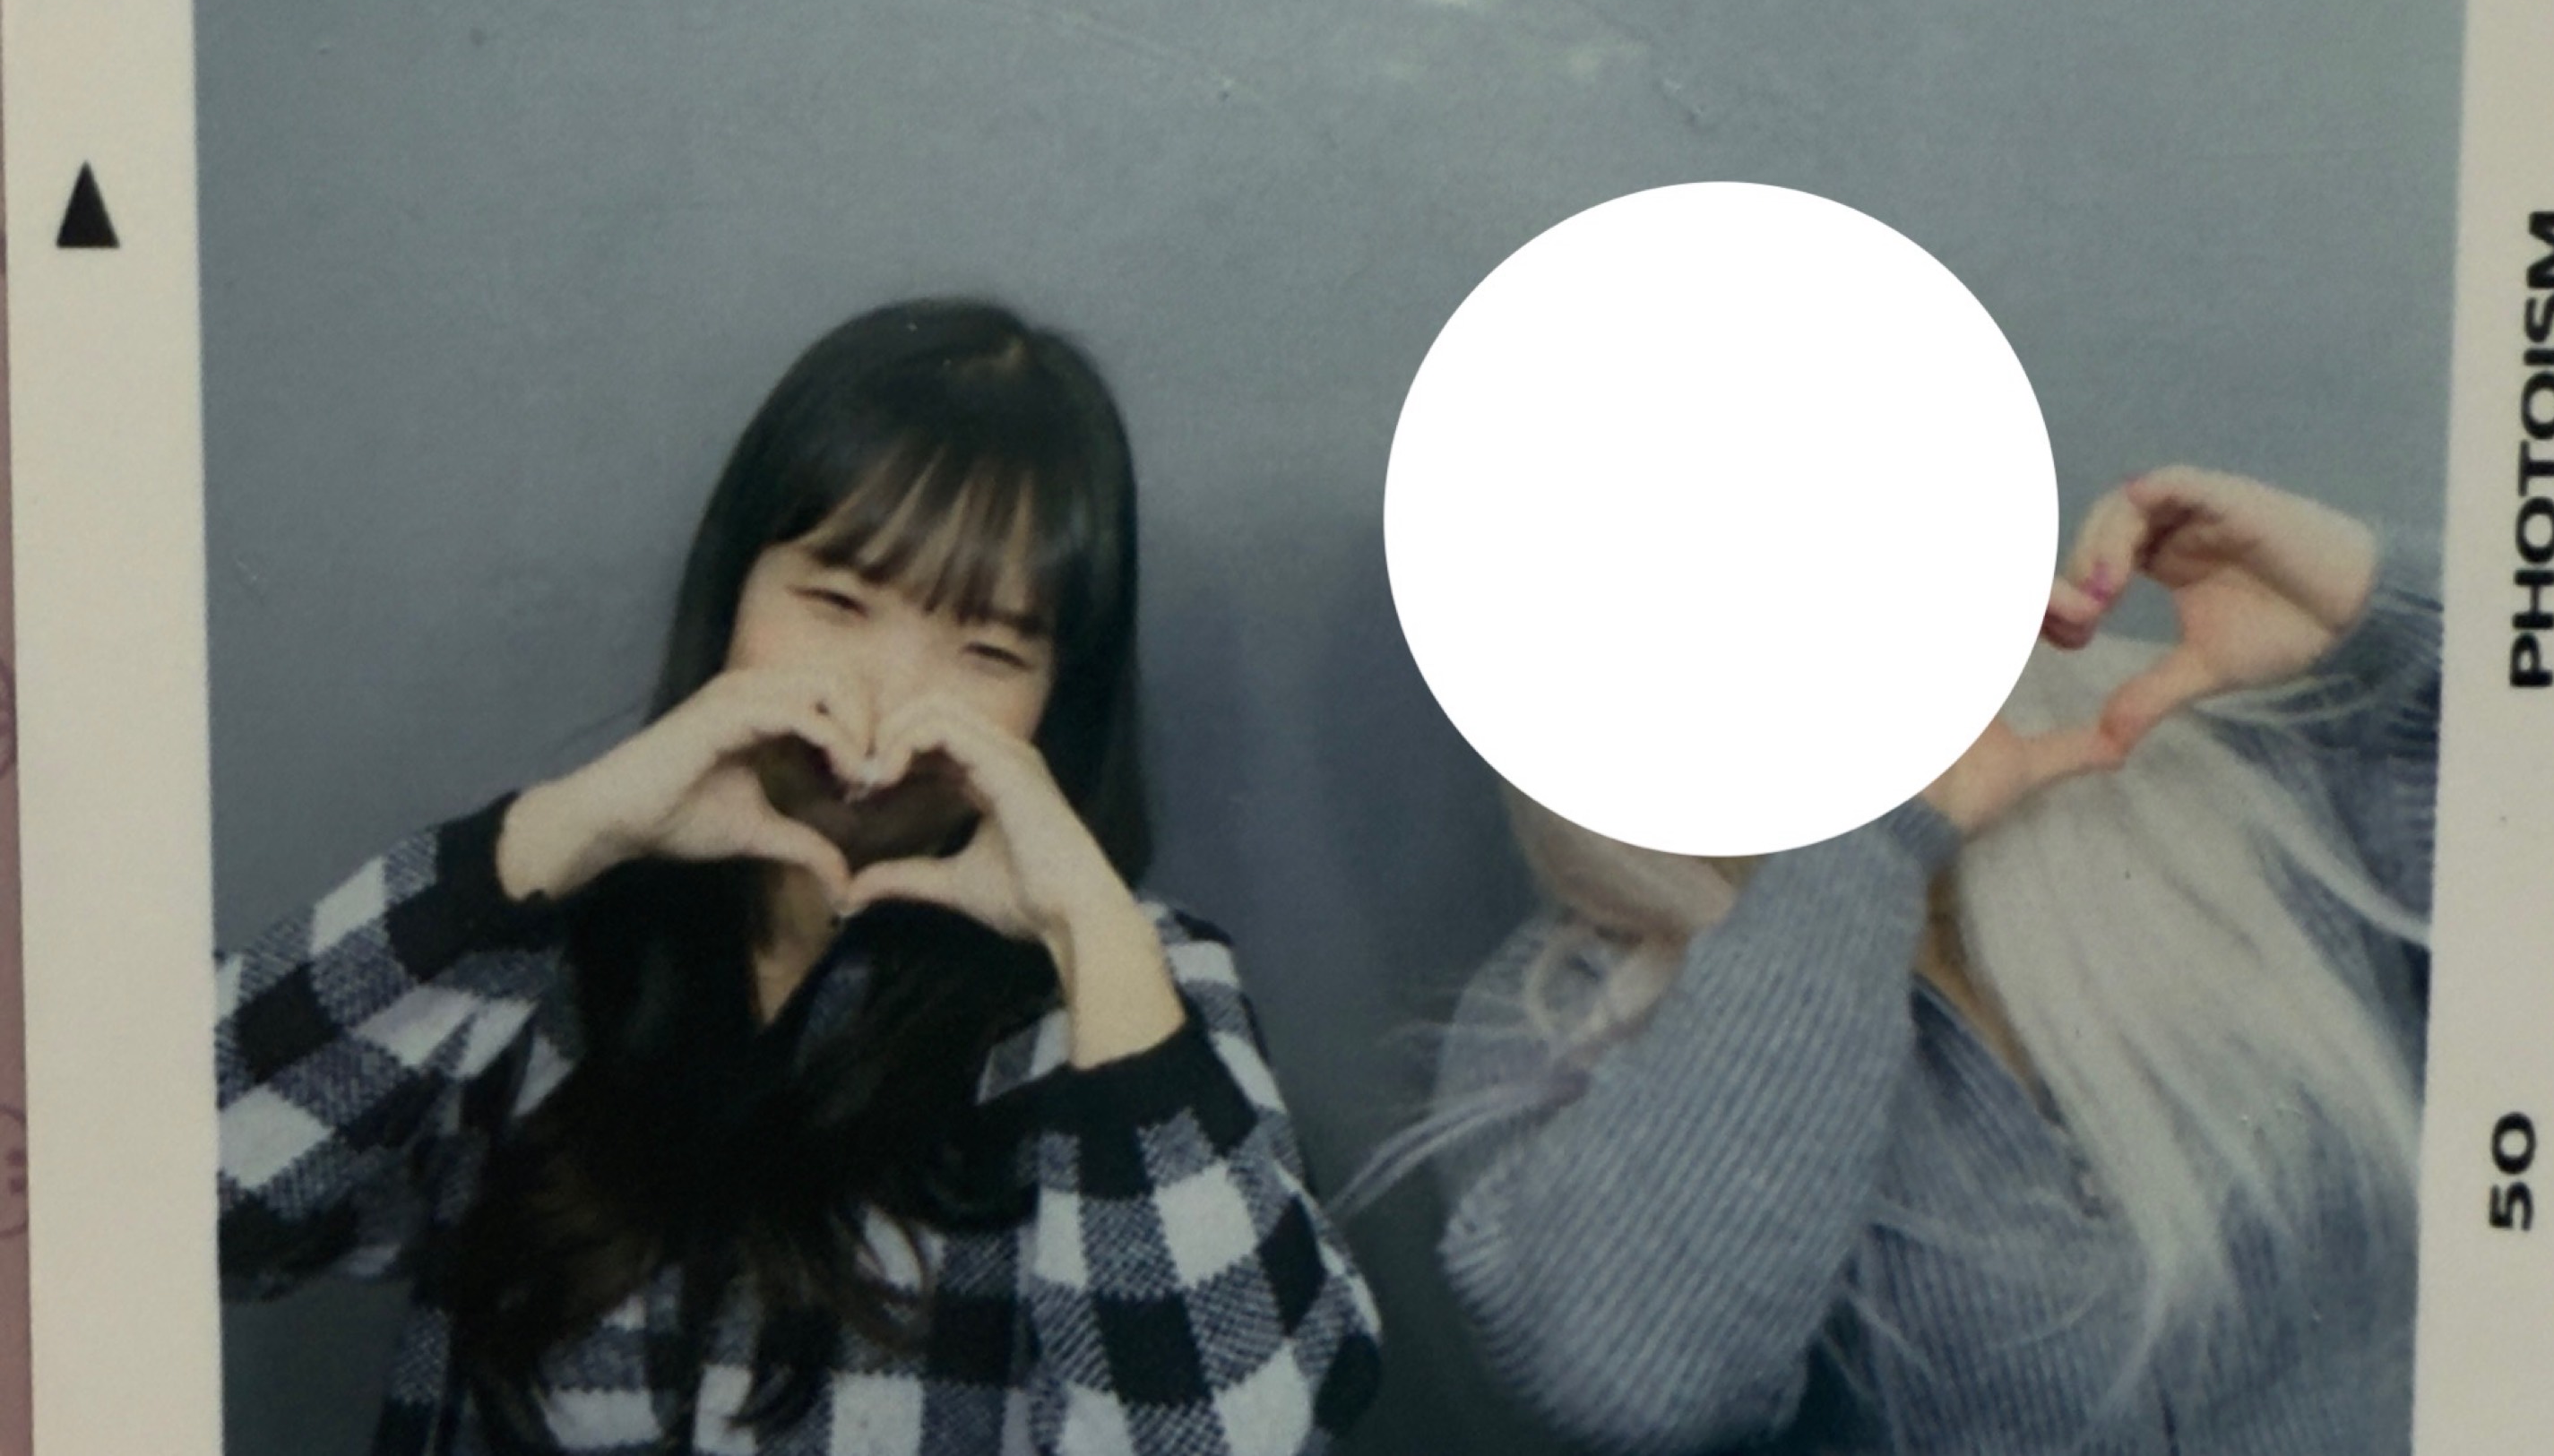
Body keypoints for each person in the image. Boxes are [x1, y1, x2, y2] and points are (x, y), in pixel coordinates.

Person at [216, 299, 1384, 1456]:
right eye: (835, 603)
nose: (882, 704)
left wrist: (1088, 929)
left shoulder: (1130, 994)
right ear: (734, 587)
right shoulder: (535, 947)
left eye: (987, 651)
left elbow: (1232, 1439)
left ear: (1057, 702)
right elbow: (175, 1187)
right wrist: (562, 835)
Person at [1410, 467, 2435, 1454]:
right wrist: (1870, 839)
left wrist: (2382, 624)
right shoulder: (1565, 1014)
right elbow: (1634, 1379)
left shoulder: (2206, 771)